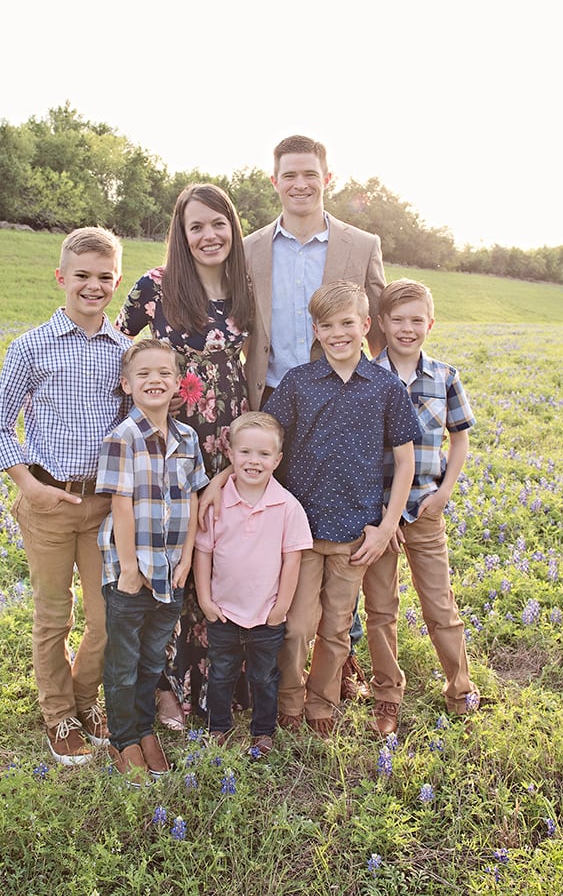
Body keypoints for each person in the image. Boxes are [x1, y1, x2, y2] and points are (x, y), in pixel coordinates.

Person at [204, 280, 420, 735]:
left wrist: (385, 526)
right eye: (327, 325)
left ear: (365, 325)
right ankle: (289, 698)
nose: (338, 333)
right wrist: (221, 479)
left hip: (355, 534)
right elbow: (264, 436)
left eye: (347, 323)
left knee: (337, 628)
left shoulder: (385, 387)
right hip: (298, 534)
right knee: (298, 625)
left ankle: (321, 701)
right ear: (315, 331)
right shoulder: (299, 383)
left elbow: (405, 462)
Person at [237, 133, 388, 699]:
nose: (300, 184)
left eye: (310, 174)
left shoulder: (361, 242)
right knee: (282, 529)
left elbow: (377, 317)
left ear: (328, 179)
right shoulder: (249, 248)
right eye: (288, 175)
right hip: (274, 406)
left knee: (339, 527)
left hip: (341, 408)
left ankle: (337, 660)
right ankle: (275, 660)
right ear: (274, 181)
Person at [0, 226, 130, 766]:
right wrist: (29, 487)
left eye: (105, 277)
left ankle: (86, 698)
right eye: (83, 276)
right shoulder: (31, 346)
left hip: (102, 504)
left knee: (106, 618)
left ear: (117, 281)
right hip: (47, 498)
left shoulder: (123, 352)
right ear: (61, 277)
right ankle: (57, 712)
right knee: (53, 616)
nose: (93, 286)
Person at [119, 182, 257, 730]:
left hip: (232, 436)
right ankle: (167, 686)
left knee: (222, 547)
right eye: (195, 226)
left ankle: (230, 676)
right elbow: (114, 350)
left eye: (218, 223)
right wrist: (151, 389)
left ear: (233, 228)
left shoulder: (247, 285)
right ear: (180, 232)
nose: (208, 235)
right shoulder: (154, 287)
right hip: (173, 436)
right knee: (175, 550)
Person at [361, 278, 479, 734]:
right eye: (398, 319)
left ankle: (460, 687)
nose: (407, 328)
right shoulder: (367, 375)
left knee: (439, 603)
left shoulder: (445, 376)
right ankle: (387, 696)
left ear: (430, 323)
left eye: (416, 320)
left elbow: (460, 437)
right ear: (382, 324)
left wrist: (445, 491)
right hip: (379, 514)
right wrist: (379, 516)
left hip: (426, 507)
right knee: (381, 608)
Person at [95, 338, 209, 783]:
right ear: (127, 384)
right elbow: (121, 505)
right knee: (124, 660)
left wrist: (185, 561)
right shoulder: (122, 438)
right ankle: (123, 738)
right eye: (143, 374)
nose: (155, 381)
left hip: (171, 571)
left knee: (150, 659)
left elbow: (195, 500)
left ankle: (144, 731)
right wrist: (128, 568)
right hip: (130, 572)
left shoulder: (187, 438)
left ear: (178, 381)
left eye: (164, 372)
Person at [193, 412, 312, 757]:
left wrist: (281, 609)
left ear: (277, 460)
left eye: (263, 455)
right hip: (223, 612)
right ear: (230, 454)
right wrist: (205, 599)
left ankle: (263, 731)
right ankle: (219, 727)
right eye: (245, 452)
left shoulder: (288, 506)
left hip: (266, 613)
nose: (253, 461)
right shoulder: (216, 503)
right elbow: (203, 553)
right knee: (221, 674)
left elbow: (293, 559)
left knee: (263, 676)